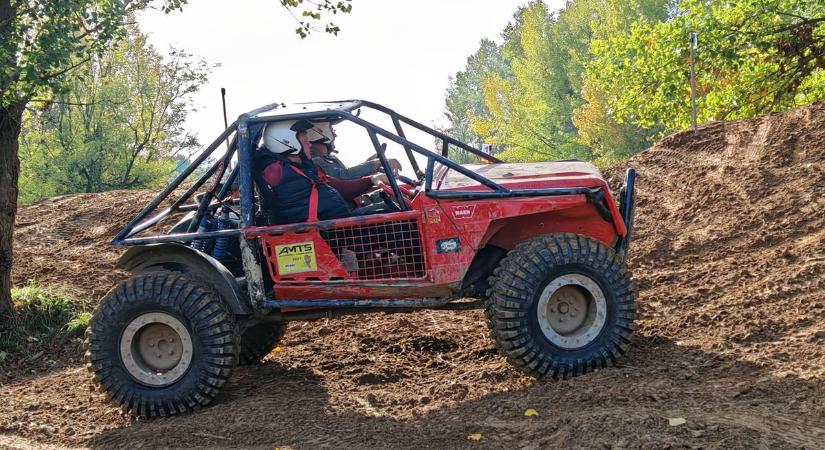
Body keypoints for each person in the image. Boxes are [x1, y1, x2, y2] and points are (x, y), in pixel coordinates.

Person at [253, 119, 387, 225]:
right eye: (305, 140)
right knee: (398, 220)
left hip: (335, 225)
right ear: (288, 143)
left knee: (391, 209)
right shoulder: (276, 171)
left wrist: (371, 180)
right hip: (328, 232)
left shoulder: (299, 169)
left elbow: (337, 187)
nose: (310, 144)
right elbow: (340, 181)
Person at [307, 121, 402, 180]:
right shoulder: (315, 161)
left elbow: (350, 177)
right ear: (320, 133)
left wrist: (370, 163)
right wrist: (376, 163)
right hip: (349, 208)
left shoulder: (328, 158)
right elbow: (344, 177)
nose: (335, 135)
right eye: (332, 131)